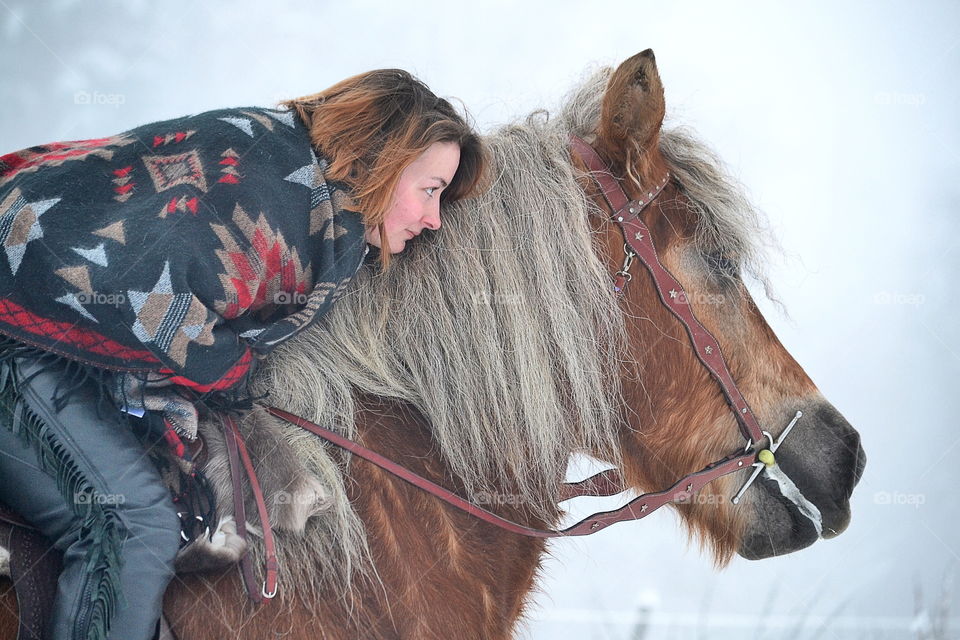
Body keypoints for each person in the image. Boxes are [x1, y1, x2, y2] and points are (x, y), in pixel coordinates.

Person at [0, 69, 485, 640]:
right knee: (130, 524)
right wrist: (233, 377)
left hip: (36, 331)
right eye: (430, 189)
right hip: (15, 338)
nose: (434, 218)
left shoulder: (287, 172)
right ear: (381, 159)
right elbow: (146, 293)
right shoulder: (272, 187)